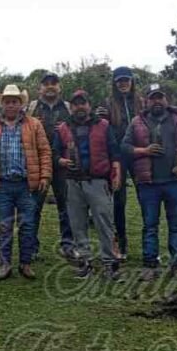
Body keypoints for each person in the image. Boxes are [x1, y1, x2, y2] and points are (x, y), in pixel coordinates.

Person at [122, 84, 177, 281]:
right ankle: (150, 264)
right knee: (150, 225)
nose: (157, 101)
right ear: (146, 101)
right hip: (148, 183)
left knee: (176, 224)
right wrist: (144, 151)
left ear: (166, 100)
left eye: (160, 97)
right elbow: (124, 146)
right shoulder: (137, 122)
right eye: (152, 98)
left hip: (175, 181)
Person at [0, 85, 51, 280]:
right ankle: (4, 264)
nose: (11, 105)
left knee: (28, 225)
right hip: (2, 184)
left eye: (15, 101)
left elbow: (45, 151)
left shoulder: (34, 124)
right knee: (4, 225)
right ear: (2, 104)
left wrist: (45, 176)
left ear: (21, 104)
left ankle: (25, 263)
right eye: (7, 102)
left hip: (26, 185)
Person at [56, 90, 123, 281]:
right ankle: (85, 262)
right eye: (76, 104)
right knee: (77, 224)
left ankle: (110, 262)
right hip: (73, 181)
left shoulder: (103, 125)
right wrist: (61, 161)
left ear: (89, 105)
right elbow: (54, 152)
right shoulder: (63, 128)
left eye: (83, 103)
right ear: (72, 107)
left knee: (104, 222)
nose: (79, 107)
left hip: (98, 180)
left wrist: (116, 172)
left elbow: (114, 151)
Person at [95, 66, 143, 260]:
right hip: (118, 157)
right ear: (115, 84)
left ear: (131, 82)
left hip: (139, 155)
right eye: (120, 81)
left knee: (146, 199)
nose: (123, 83)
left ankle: (150, 246)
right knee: (119, 201)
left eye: (126, 80)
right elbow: (102, 130)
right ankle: (120, 243)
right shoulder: (107, 104)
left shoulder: (141, 103)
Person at [26, 72, 74, 260]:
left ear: (59, 87)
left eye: (54, 83)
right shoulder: (31, 108)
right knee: (34, 206)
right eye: (46, 83)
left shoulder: (69, 108)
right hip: (38, 164)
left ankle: (68, 244)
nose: (50, 86)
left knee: (66, 206)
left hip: (63, 164)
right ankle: (31, 246)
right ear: (40, 88)